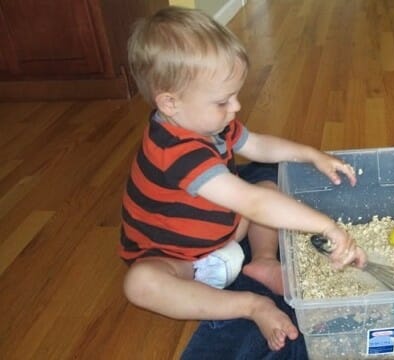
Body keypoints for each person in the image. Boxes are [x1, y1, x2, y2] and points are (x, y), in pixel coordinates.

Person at [119, 6, 367, 352]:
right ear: (170, 104)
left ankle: (263, 261)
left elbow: (259, 144)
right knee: (140, 283)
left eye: (234, 96)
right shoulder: (175, 151)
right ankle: (251, 305)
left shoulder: (207, 122)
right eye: (223, 101)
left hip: (222, 231)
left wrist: (311, 154)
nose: (235, 107)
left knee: (266, 184)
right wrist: (325, 226)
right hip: (177, 258)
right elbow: (253, 204)